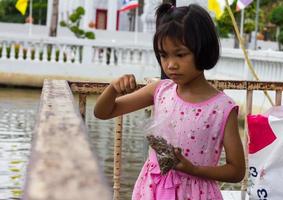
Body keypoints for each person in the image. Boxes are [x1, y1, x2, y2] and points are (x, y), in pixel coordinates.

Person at [94, 3, 245, 200]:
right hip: (153, 189)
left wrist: (194, 169)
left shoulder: (222, 108)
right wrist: (113, 88)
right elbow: (103, 112)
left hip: (195, 194)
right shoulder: (160, 90)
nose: (170, 65)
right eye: (164, 55)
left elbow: (236, 170)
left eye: (180, 55)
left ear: (203, 50)